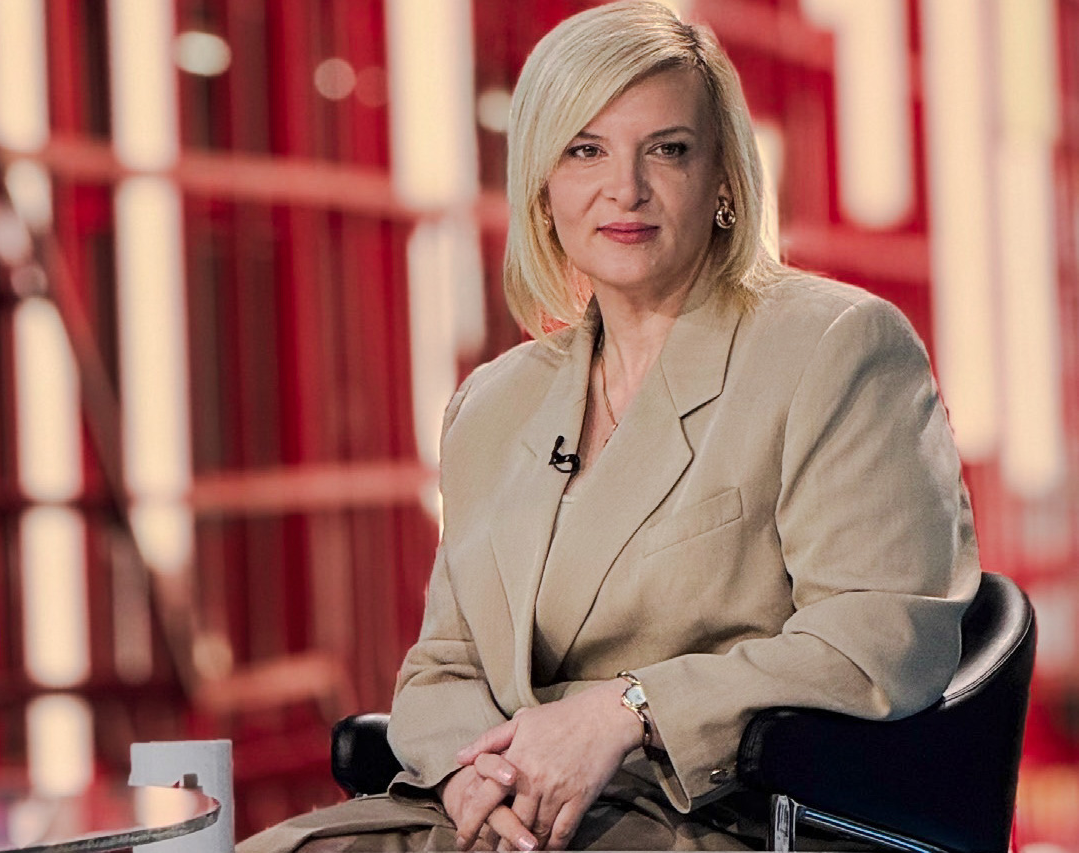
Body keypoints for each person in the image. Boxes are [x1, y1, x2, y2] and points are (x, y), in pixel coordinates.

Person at [239, 1, 979, 850]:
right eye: (585, 150)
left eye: (668, 149)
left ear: (725, 178)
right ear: (543, 187)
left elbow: (880, 637)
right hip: (499, 813)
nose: (625, 189)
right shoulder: (491, 403)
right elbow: (443, 665)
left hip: (712, 814)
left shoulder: (835, 346)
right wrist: (470, 771)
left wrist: (629, 708)